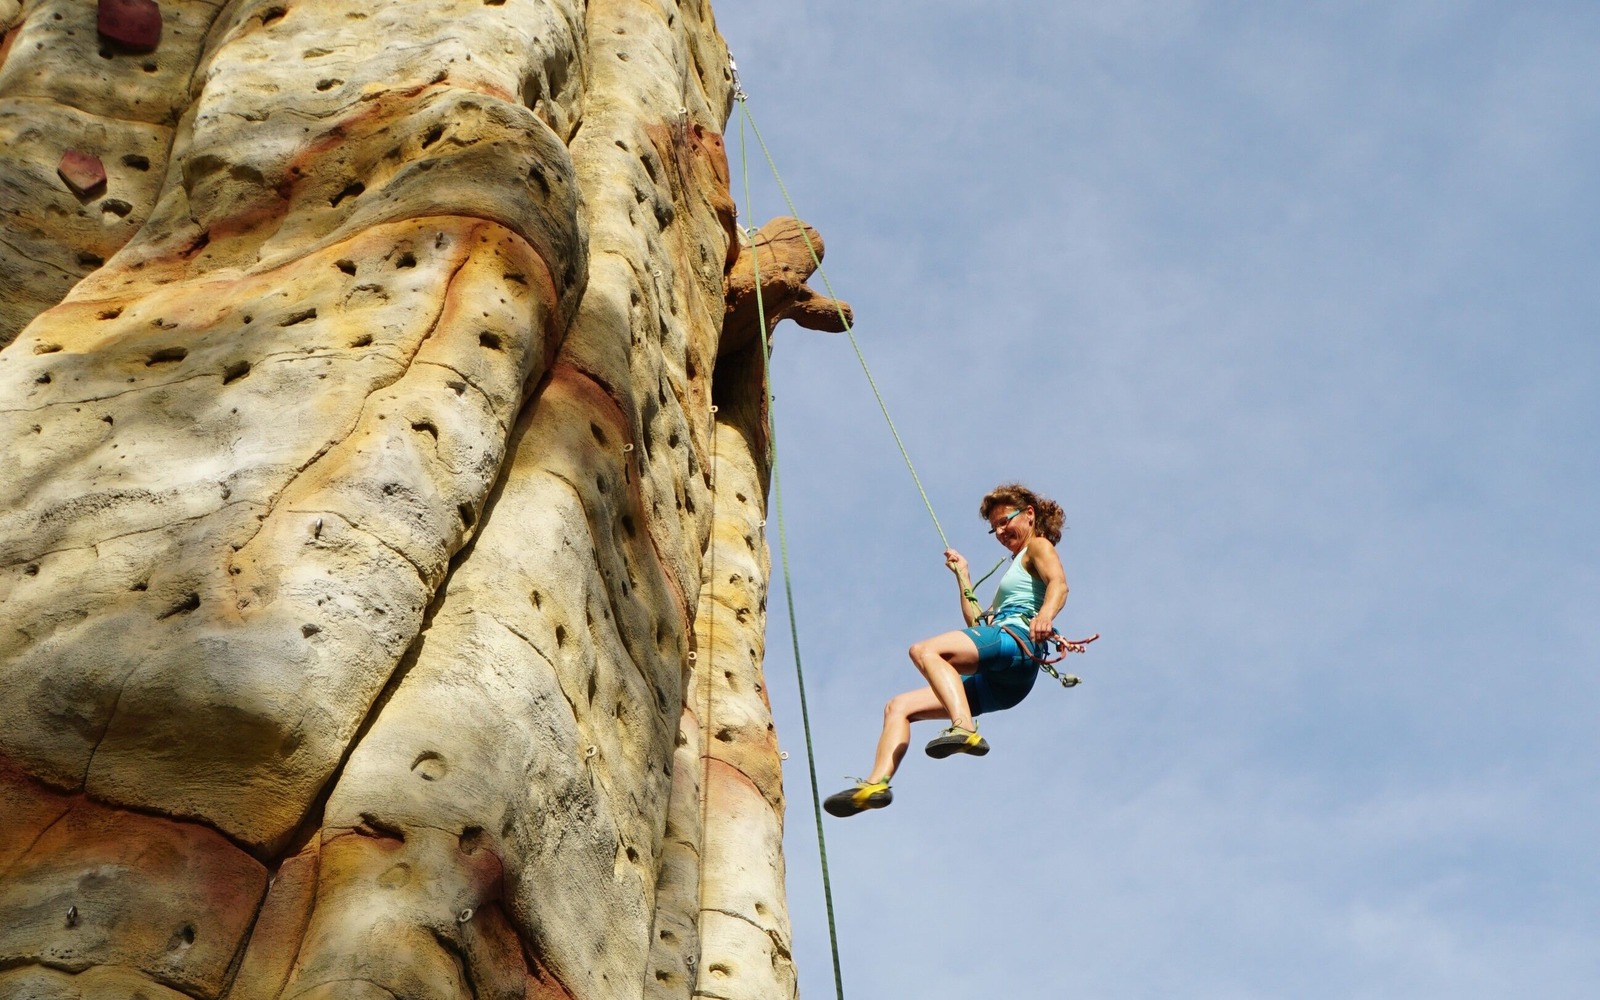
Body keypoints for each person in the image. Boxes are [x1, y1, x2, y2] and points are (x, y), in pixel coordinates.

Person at [824, 483, 1069, 818]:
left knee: (925, 651)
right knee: (899, 707)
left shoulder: (1037, 547)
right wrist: (963, 577)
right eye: (994, 527)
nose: (1000, 531)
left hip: (1017, 645)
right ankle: (875, 785)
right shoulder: (1013, 570)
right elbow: (977, 627)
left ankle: (964, 728)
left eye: (1005, 521)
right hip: (1002, 682)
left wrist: (1045, 615)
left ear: (1029, 514)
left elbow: (1059, 583)